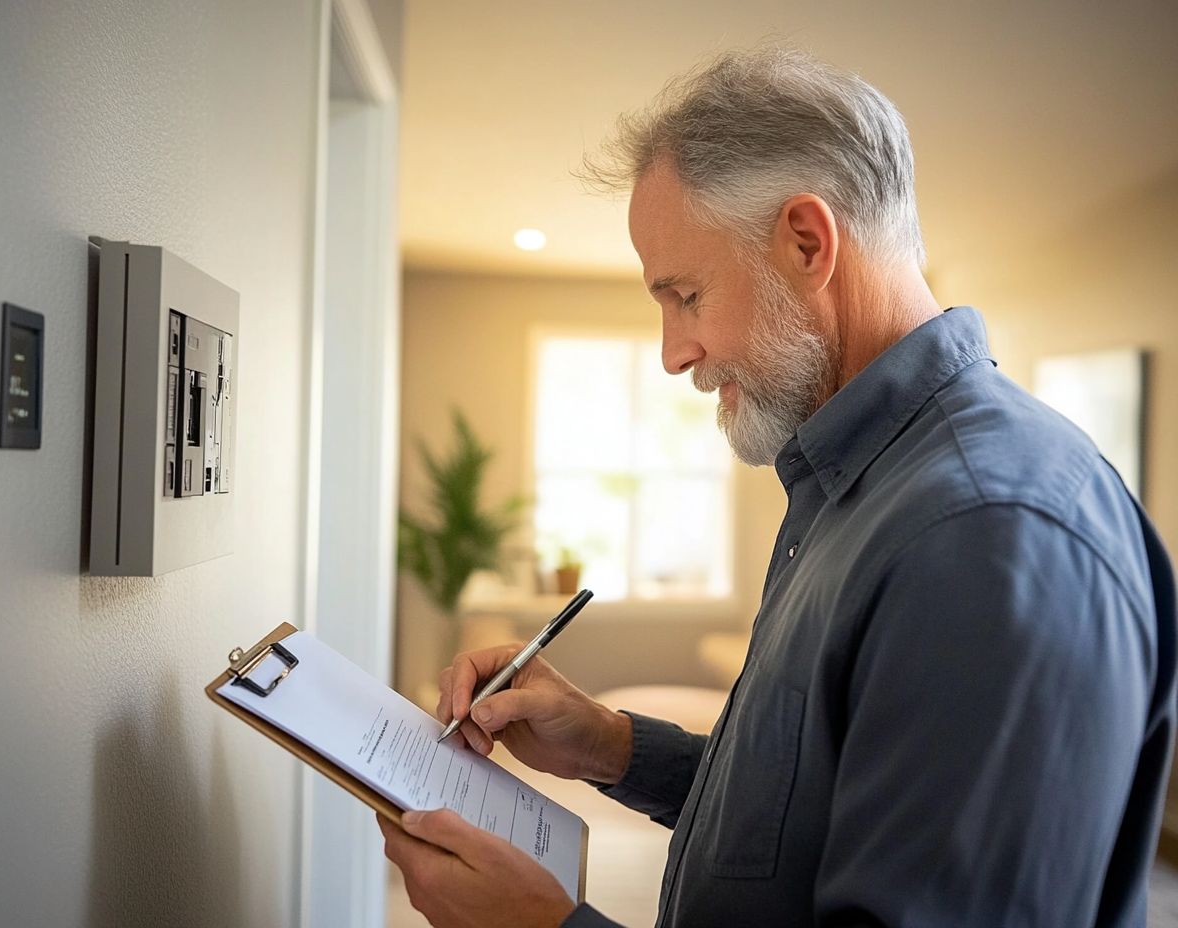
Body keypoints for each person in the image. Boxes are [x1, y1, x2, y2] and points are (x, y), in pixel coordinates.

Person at [379, 45, 1177, 928]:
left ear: (807, 242)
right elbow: (811, 814)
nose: (672, 352)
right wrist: (611, 746)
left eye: (684, 294)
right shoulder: (853, 488)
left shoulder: (986, 532)